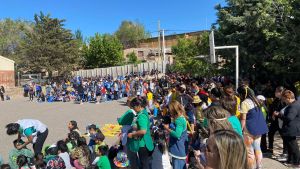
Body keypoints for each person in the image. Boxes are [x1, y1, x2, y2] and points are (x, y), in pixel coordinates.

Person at [238, 85, 268, 169]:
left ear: (242, 94)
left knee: (250, 151)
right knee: (257, 148)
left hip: (249, 129)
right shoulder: (257, 100)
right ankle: (259, 166)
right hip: (259, 128)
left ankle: (250, 167)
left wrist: (240, 130)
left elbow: (243, 119)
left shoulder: (244, 103)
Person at [127, 97, 154, 169]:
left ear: (138, 106)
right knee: (145, 163)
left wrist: (132, 134)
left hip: (143, 144)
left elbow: (143, 131)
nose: (133, 109)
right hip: (145, 142)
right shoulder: (143, 111)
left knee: (144, 163)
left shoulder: (141, 116)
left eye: (134, 107)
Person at [277, 90, 300, 167]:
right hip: (290, 128)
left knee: (293, 146)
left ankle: (296, 162)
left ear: (288, 98)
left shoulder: (293, 106)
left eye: (284, 99)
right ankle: (290, 160)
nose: (284, 101)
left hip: (291, 128)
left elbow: (289, 118)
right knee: (290, 146)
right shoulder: (294, 104)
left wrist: (279, 115)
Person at [164, 100, 188, 169]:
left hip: (178, 150)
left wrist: (167, 129)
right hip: (180, 149)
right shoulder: (180, 117)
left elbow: (177, 134)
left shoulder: (179, 120)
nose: (169, 112)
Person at [268, 86, 287, 157]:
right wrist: (271, 115)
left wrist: (276, 114)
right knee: (270, 133)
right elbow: (272, 108)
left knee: (284, 136)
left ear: (280, 92)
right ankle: (270, 149)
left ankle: (285, 151)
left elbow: (284, 110)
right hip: (274, 120)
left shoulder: (284, 100)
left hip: (281, 120)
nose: (275, 93)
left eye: (276, 91)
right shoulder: (276, 99)